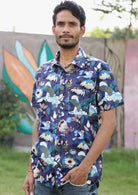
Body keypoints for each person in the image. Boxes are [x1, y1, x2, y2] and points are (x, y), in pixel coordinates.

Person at [23, 1, 124, 195]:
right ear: (54, 29)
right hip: (43, 177)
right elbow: (40, 121)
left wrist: (84, 168)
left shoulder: (99, 70)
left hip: (78, 180)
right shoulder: (42, 72)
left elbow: (109, 123)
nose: (66, 29)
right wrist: (30, 170)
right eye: (61, 24)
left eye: (72, 24)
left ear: (82, 29)